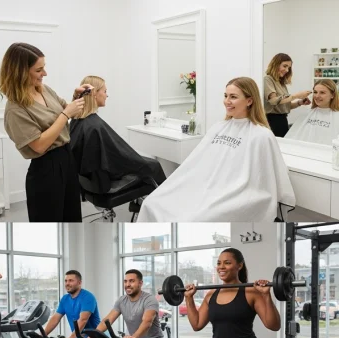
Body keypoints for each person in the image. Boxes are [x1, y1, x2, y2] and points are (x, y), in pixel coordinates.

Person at [137, 77, 295, 222]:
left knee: (192, 219)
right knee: (152, 202)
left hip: (235, 194)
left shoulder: (262, 135)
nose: (227, 101)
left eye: (233, 97)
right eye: (225, 96)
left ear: (249, 101)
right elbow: (197, 164)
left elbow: (263, 179)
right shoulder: (219, 128)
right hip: (205, 187)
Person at [0, 42, 91, 222]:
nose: (45, 74)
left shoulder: (45, 90)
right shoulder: (15, 109)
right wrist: (66, 114)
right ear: (20, 72)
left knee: (72, 220)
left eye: (44, 68)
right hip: (45, 170)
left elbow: (74, 112)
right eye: (38, 70)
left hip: (67, 160)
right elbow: (39, 146)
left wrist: (76, 97)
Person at [69, 75, 166, 195]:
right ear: (94, 94)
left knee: (147, 164)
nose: (107, 95)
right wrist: (141, 162)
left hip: (90, 182)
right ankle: (165, 203)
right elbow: (119, 157)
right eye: (105, 91)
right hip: (105, 183)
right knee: (154, 166)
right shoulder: (94, 126)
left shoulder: (76, 121)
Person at [264, 53, 312, 137]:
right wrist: (296, 96)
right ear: (275, 64)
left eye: (288, 68)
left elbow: (285, 106)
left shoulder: (281, 83)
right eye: (284, 66)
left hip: (282, 120)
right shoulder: (268, 79)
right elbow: (273, 101)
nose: (287, 70)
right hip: (272, 120)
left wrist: (299, 102)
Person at [284, 79, 339, 145]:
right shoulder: (307, 112)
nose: (317, 96)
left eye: (322, 92)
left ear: (332, 95)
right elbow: (292, 137)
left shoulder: (336, 116)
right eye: (315, 92)